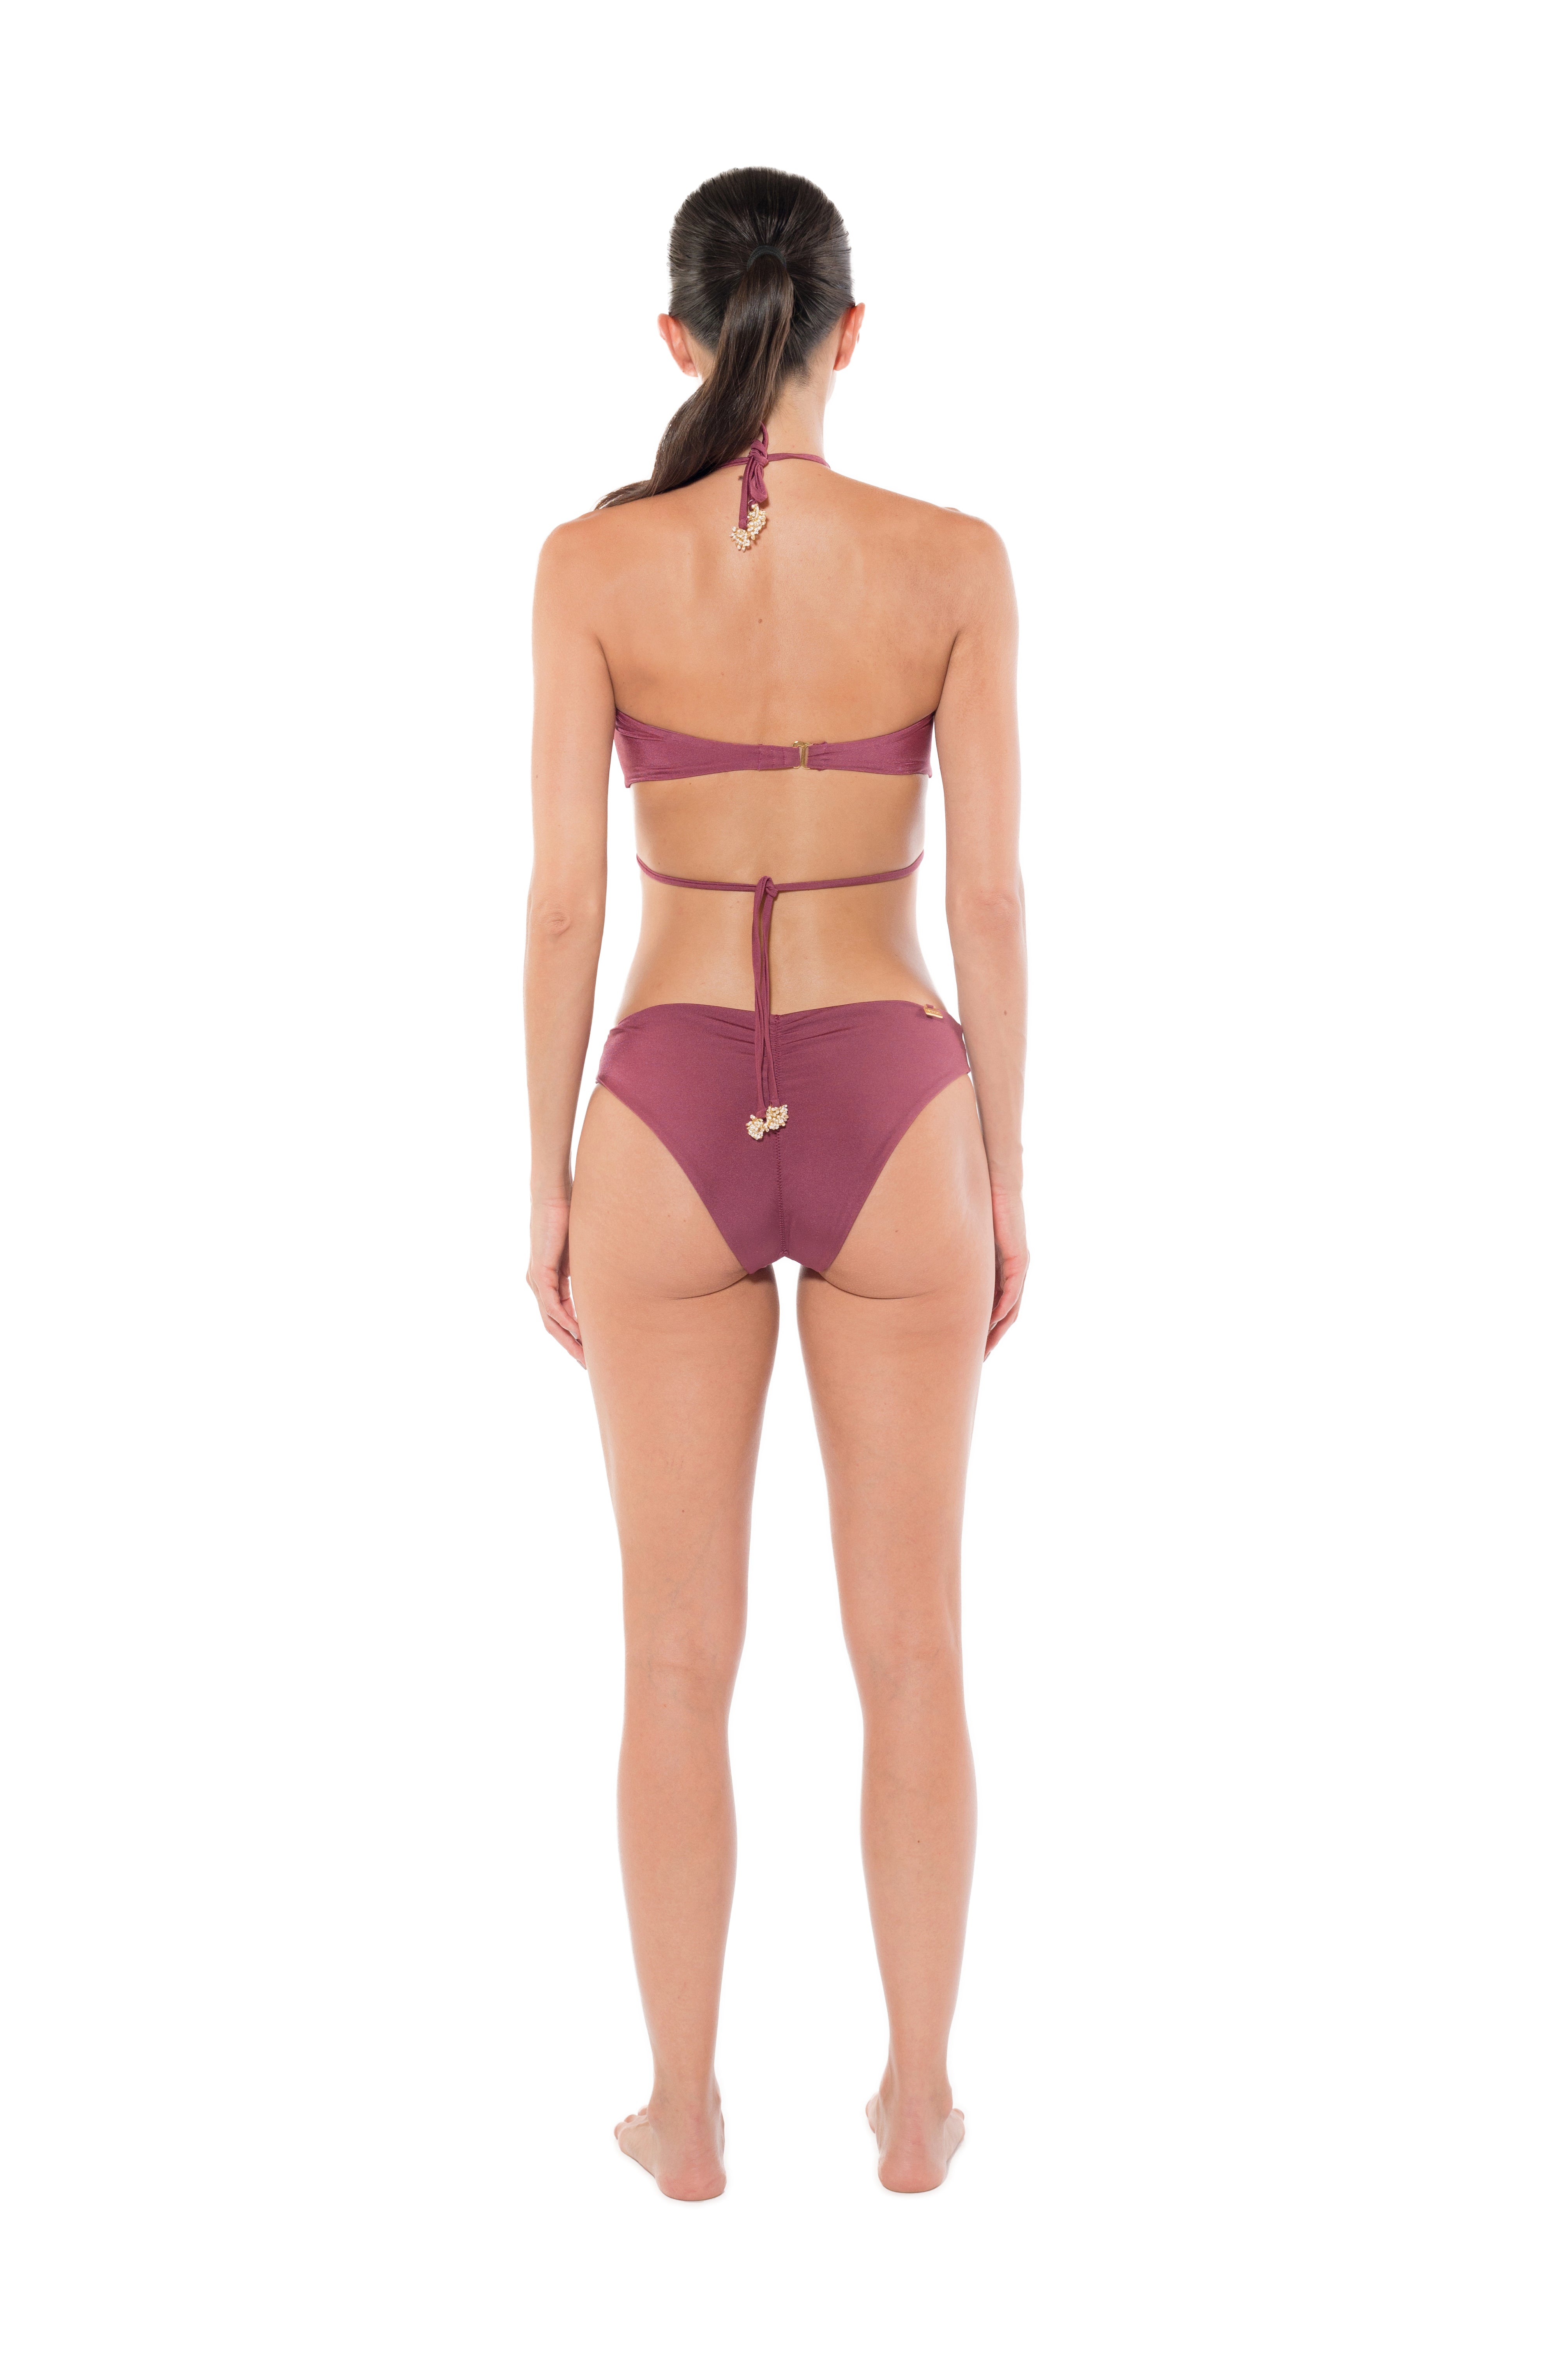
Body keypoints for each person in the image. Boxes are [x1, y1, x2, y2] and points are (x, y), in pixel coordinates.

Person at [525, 166, 1026, 2198]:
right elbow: (986, 900)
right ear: (847, 331)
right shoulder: (953, 560)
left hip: (658, 1110)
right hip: (897, 1098)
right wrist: (1009, 1173)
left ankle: (684, 2113)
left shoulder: (590, 565)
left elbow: (566, 905)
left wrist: (542, 1178)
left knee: (671, 1655)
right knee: (914, 1646)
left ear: (678, 338)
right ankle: (915, 2101)